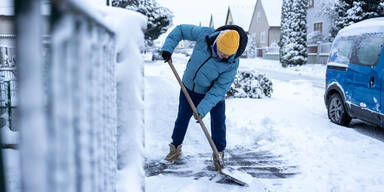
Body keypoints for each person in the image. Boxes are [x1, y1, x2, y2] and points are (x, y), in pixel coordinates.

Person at [161, 24, 247, 170]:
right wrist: (168, 48)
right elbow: (180, 30)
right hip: (188, 88)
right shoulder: (205, 34)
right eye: (223, 52)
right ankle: (175, 149)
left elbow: (219, 89)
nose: (226, 57)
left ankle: (218, 154)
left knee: (219, 122)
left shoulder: (232, 62)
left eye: (229, 54)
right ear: (217, 42)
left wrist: (202, 109)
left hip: (212, 93)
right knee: (182, 118)